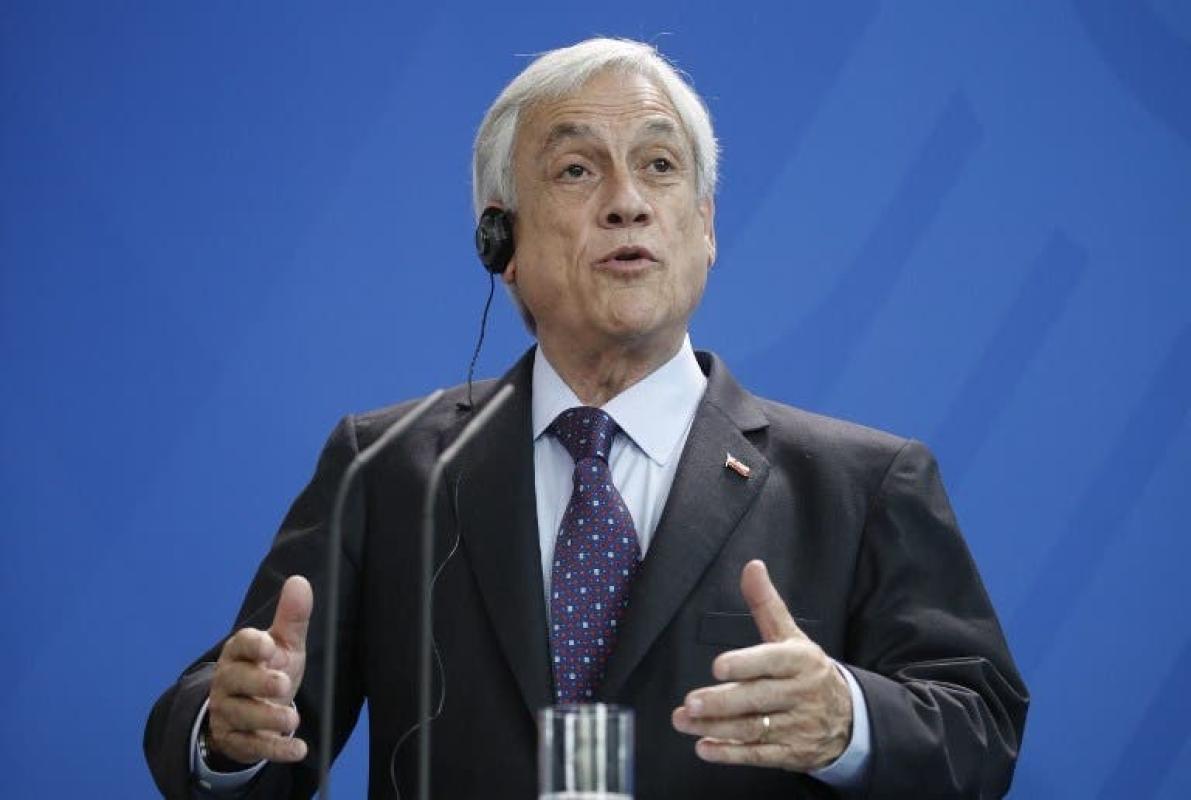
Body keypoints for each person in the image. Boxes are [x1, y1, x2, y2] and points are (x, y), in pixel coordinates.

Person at [145, 38, 1028, 799]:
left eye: (660, 166)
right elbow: (243, 715)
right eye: (576, 169)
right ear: (500, 241)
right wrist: (226, 736)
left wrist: (848, 719)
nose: (626, 201)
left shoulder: (858, 485)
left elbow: (979, 731)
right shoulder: (384, 469)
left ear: (705, 227)